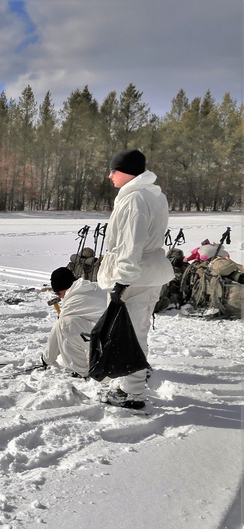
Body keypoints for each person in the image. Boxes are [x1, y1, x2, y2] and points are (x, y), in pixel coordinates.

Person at [96, 149, 175, 409]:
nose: (109, 175)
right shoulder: (154, 195)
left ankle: (134, 393)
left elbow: (131, 245)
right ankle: (128, 384)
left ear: (127, 172)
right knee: (136, 331)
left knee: (130, 335)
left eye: (113, 170)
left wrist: (122, 280)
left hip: (135, 275)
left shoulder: (134, 199)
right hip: (148, 274)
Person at [42, 267, 107, 378]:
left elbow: (58, 328)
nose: (59, 297)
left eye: (58, 293)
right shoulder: (93, 287)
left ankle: (82, 372)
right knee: (68, 323)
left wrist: (46, 358)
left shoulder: (74, 301)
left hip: (110, 346)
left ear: (63, 288)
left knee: (66, 325)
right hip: (122, 339)